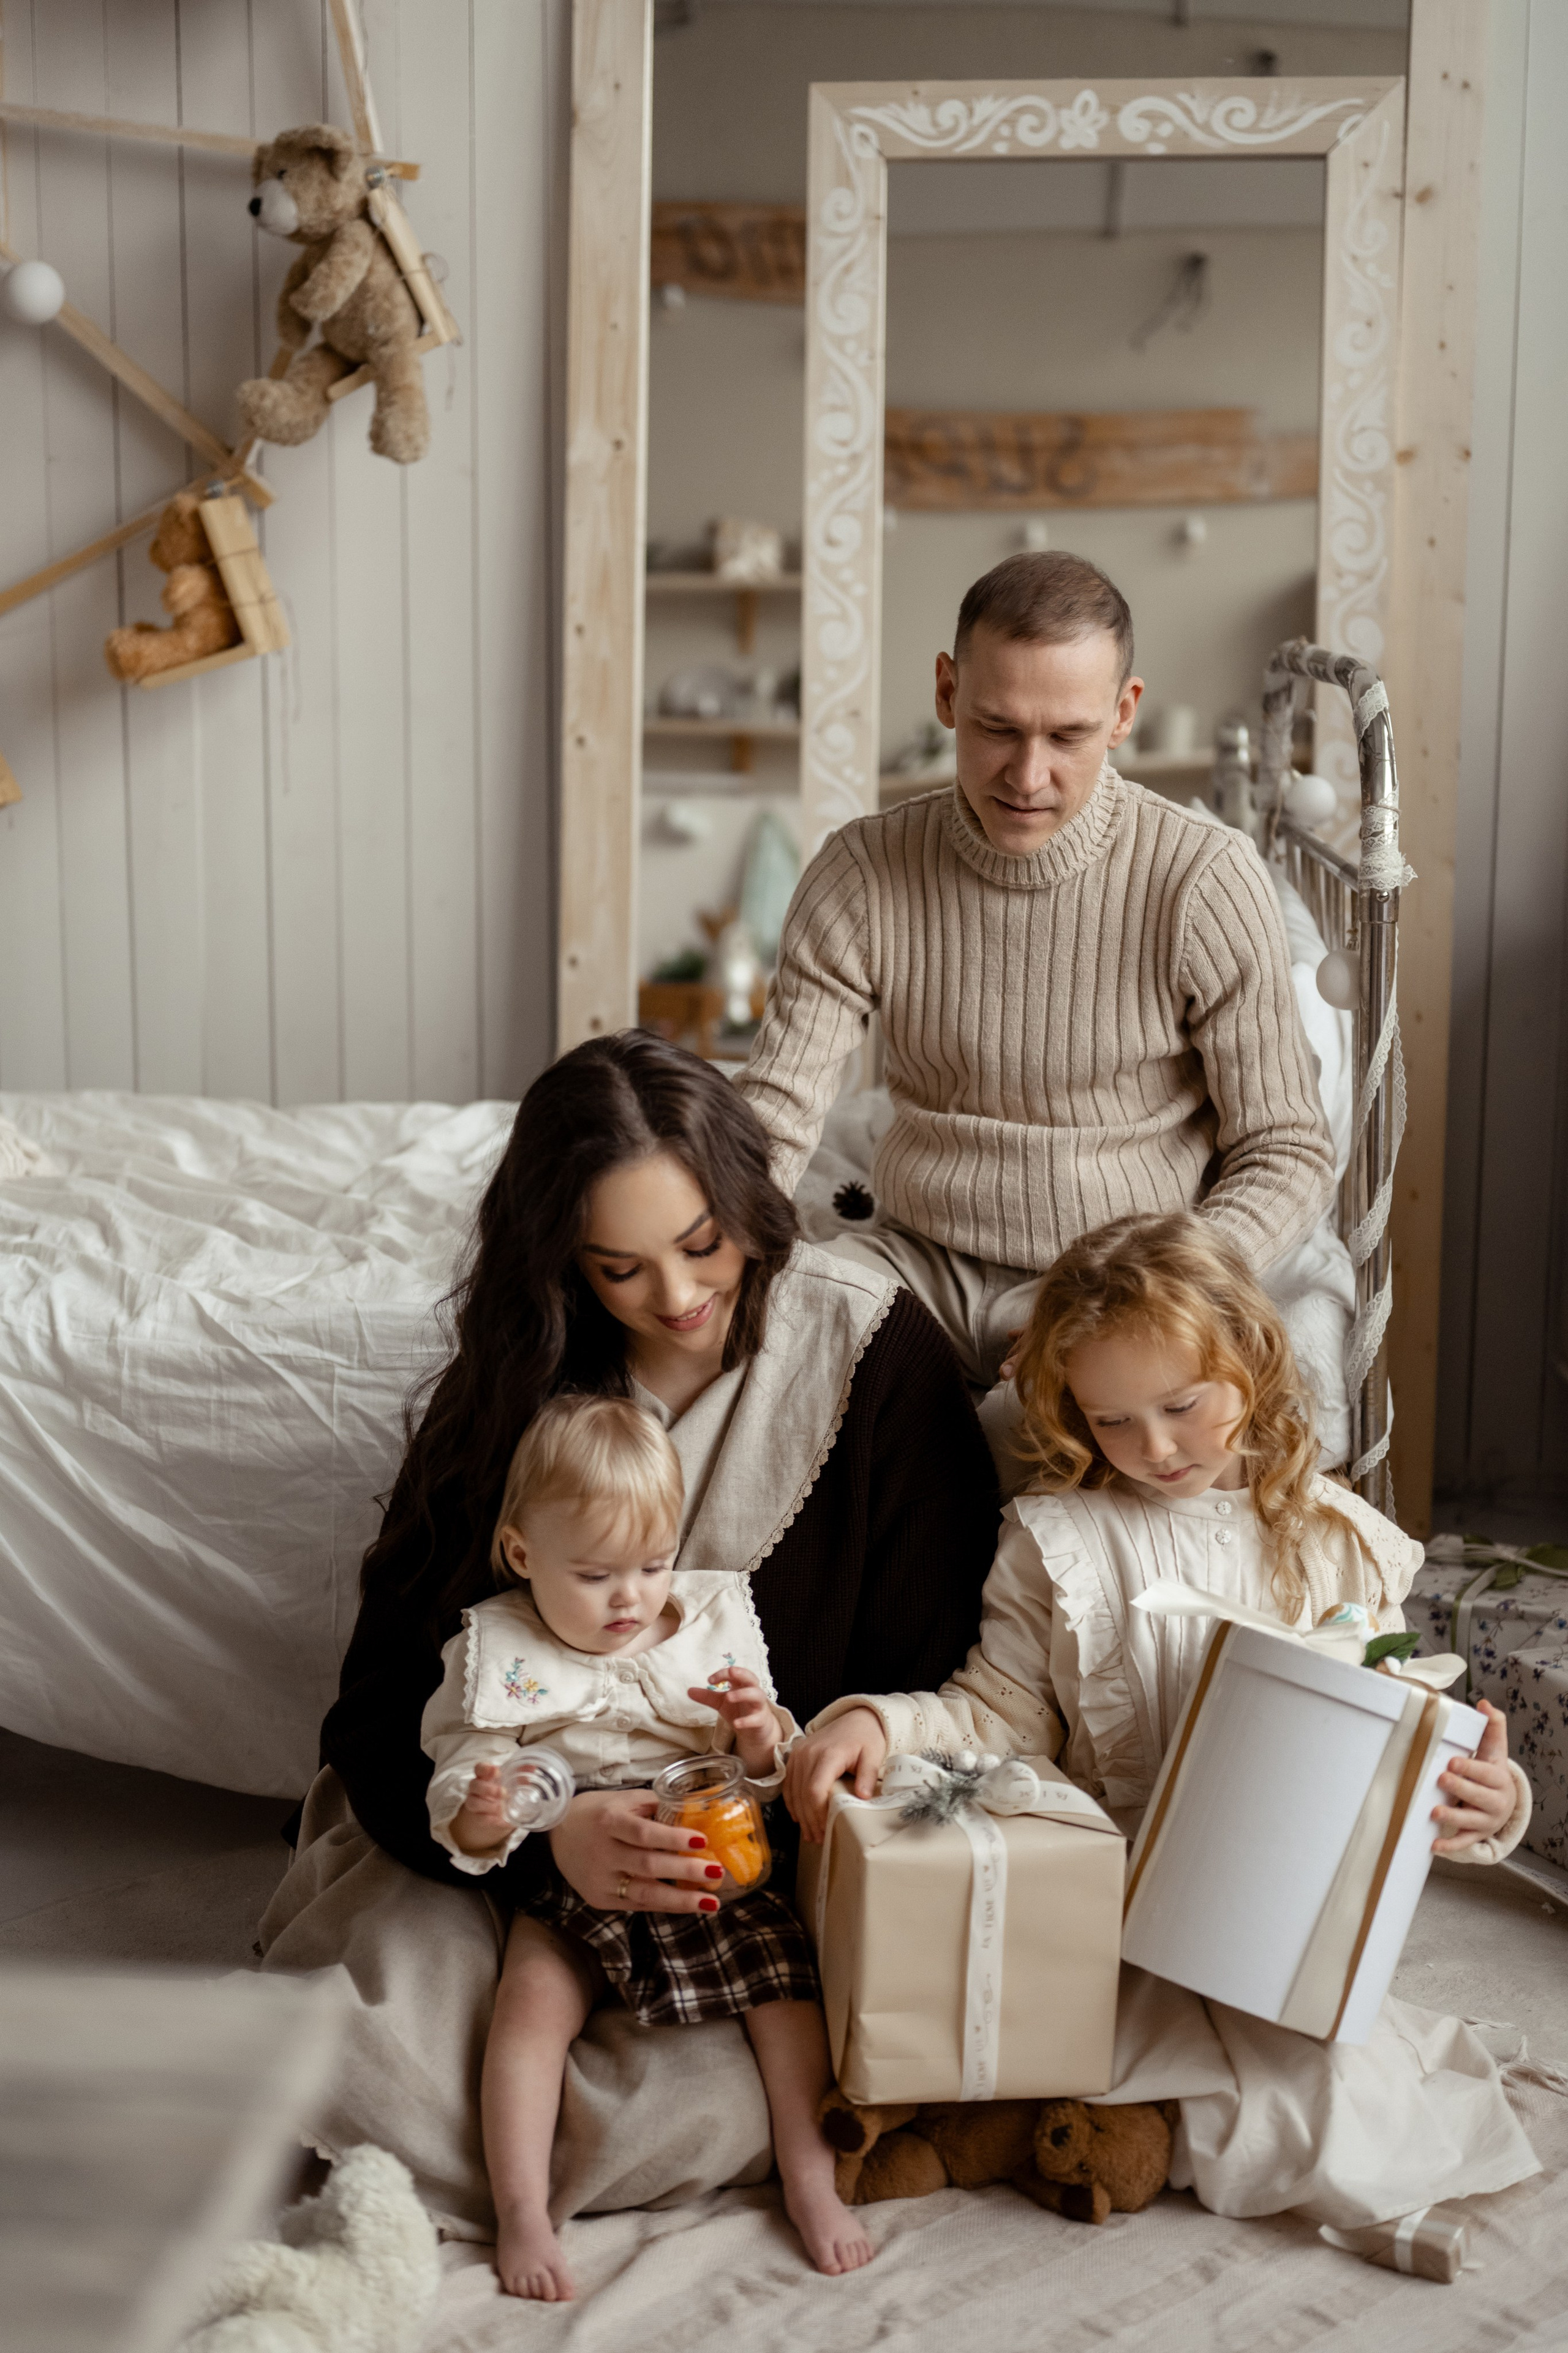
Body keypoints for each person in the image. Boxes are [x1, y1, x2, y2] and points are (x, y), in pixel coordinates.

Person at [260, 1030, 999, 2237]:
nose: (677, 1296)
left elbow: (935, 1696)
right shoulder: (527, 1380)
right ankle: (510, 2165)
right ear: (563, 1266)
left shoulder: (872, 1352)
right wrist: (552, 1837)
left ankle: (536, 2151)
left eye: (704, 1244)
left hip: (744, 1871)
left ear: (752, 1197)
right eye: (620, 1267)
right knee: (383, 2021)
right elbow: (377, 1714)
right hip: (520, 1848)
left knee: (740, 2085)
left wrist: (760, 1778)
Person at [786, 1212, 1538, 2230]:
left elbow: (1402, 1748)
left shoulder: (1339, 1544)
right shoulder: (1061, 1541)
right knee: (1056, 2028)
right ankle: (1065, 2109)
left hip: (1279, 1915)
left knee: (1331, 2125)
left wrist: (1491, 1804)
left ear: (1252, 1358)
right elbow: (996, 1710)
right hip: (1122, 1900)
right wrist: (883, 1721)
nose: (1155, 1448)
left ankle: (1075, 2119)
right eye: (1112, 1421)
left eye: (1182, 1405)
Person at [739, 551, 1335, 1392]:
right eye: (998, 728)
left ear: (1125, 712)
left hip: (1120, 1276)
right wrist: (707, 1256)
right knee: (757, 1380)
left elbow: (1286, 1148)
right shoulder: (863, 871)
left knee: (1064, 1460)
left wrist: (1152, 1296)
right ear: (947, 692)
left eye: (1067, 736)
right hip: (917, 1260)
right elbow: (776, 1113)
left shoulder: (1204, 877)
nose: (1028, 776)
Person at [424, 1392, 870, 2297]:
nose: (630, 1597)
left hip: (710, 1865)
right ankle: (521, 2209)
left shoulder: (706, 1627)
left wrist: (755, 1733)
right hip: (574, 1878)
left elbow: (767, 1774)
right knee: (528, 2010)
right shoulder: (502, 1650)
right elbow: (462, 1788)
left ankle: (812, 2179)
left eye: (653, 1563)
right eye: (593, 1575)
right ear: (523, 1553)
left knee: (789, 2000)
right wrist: (489, 1805)